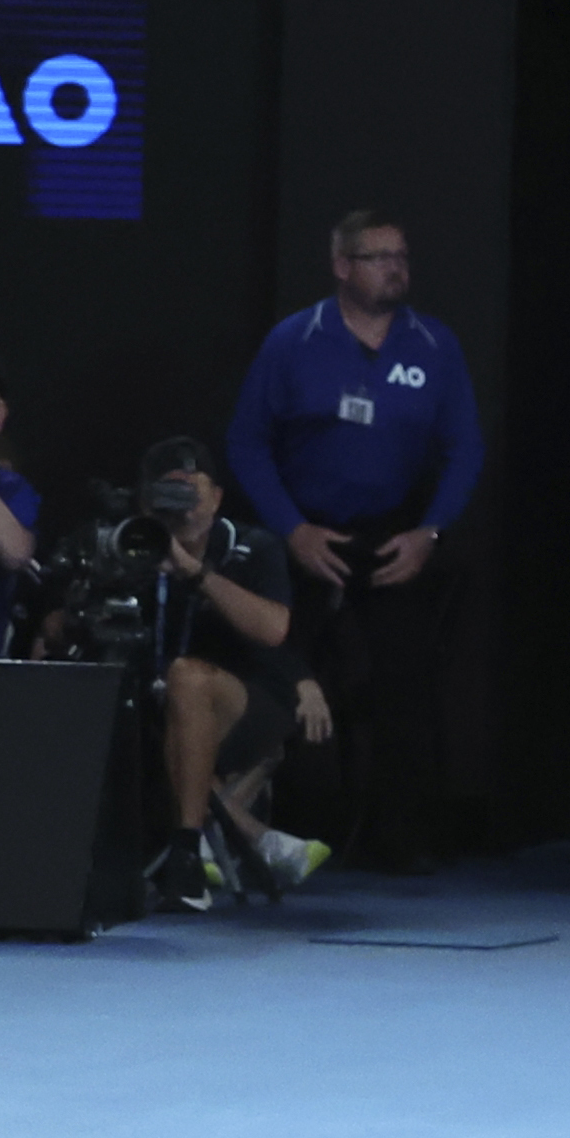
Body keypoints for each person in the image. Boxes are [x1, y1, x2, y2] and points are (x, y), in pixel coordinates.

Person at [224, 210, 483, 873]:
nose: (395, 268)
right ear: (342, 266)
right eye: (378, 257)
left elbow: (466, 449)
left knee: (406, 676)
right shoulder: (294, 339)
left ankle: (403, 837)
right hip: (304, 527)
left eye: (401, 256)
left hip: (390, 530)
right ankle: (276, 826)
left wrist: (429, 532)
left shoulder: (434, 345)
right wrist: (292, 528)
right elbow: (247, 442)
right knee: (286, 668)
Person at [140, 440, 336, 908]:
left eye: (192, 490)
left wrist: (193, 571)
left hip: (245, 702)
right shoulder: (134, 548)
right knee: (174, 710)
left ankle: (188, 851)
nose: (183, 504)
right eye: (170, 491)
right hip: (161, 705)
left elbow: (272, 629)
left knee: (188, 678)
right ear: (146, 500)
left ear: (217, 497)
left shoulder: (253, 547)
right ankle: (260, 840)